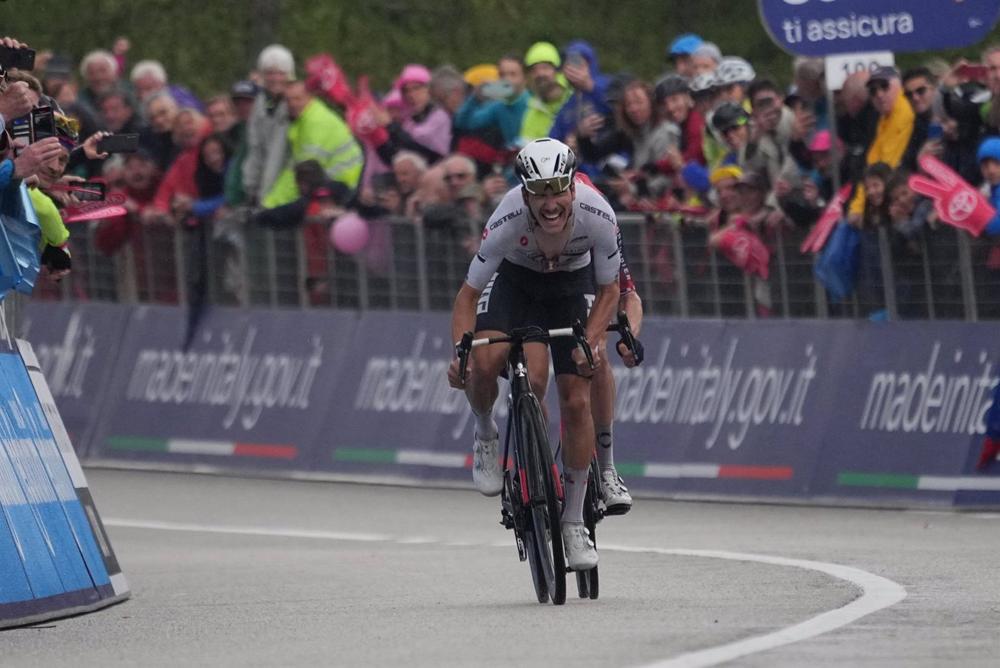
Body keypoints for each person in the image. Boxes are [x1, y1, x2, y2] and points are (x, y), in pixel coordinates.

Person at [446, 138, 620, 570]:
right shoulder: (507, 216)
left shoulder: (598, 213)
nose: (550, 203)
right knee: (486, 363)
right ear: (524, 192)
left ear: (572, 188)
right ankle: (486, 431)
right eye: (539, 191)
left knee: (577, 399)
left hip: (568, 288)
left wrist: (591, 342)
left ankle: (573, 520)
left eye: (558, 188)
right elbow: (467, 296)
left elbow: (610, 290)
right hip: (516, 282)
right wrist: (461, 353)